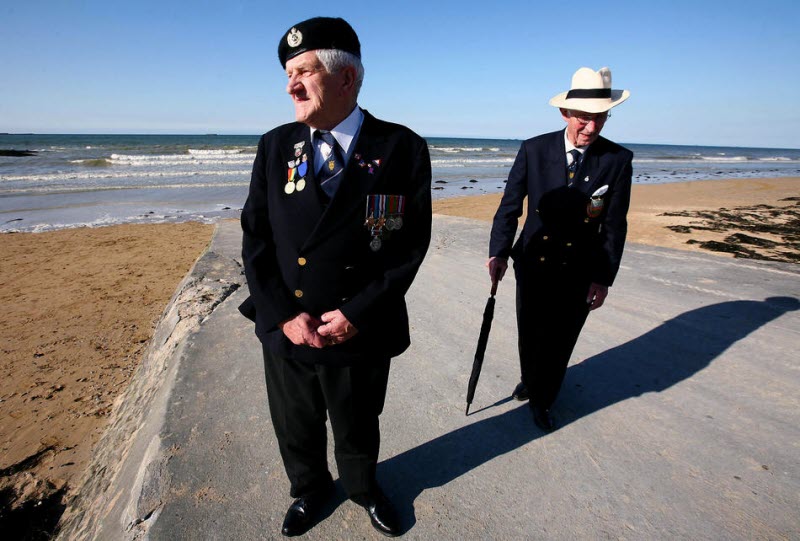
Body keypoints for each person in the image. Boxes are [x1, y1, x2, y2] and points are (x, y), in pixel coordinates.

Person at [239, 17, 431, 537]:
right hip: (290, 325)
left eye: (304, 70)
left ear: (346, 78)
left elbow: (410, 246)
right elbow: (255, 240)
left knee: (357, 423)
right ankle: (309, 489)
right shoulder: (275, 146)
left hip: (357, 326)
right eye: (287, 73)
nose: (290, 84)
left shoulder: (402, 148)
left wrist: (357, 312)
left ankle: (364, 489)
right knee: (294, 424)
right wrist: (281, 316)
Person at [487, 67, 632, 432]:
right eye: (585, 118)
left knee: (561, 338)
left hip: (580, 269)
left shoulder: (617, 160)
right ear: (565, 113)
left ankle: (542, 398)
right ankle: (532, 378)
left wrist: (603, 278)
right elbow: (509, 206)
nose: (592, 128)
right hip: (533, 262)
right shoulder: (534, 150)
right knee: (530, 332)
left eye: (601, 118)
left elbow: (614, 224)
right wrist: (498, 252)